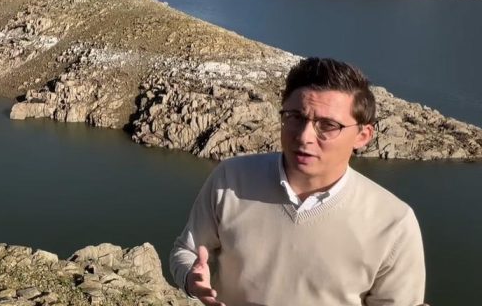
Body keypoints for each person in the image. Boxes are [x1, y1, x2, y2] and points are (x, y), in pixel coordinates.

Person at [170, 57, 426, 306]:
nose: (304, 136)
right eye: (295, 117)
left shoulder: (394, 224)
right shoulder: (230, 179)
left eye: (327, 125)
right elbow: (186, 250)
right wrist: (191, 280)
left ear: (363, 135)